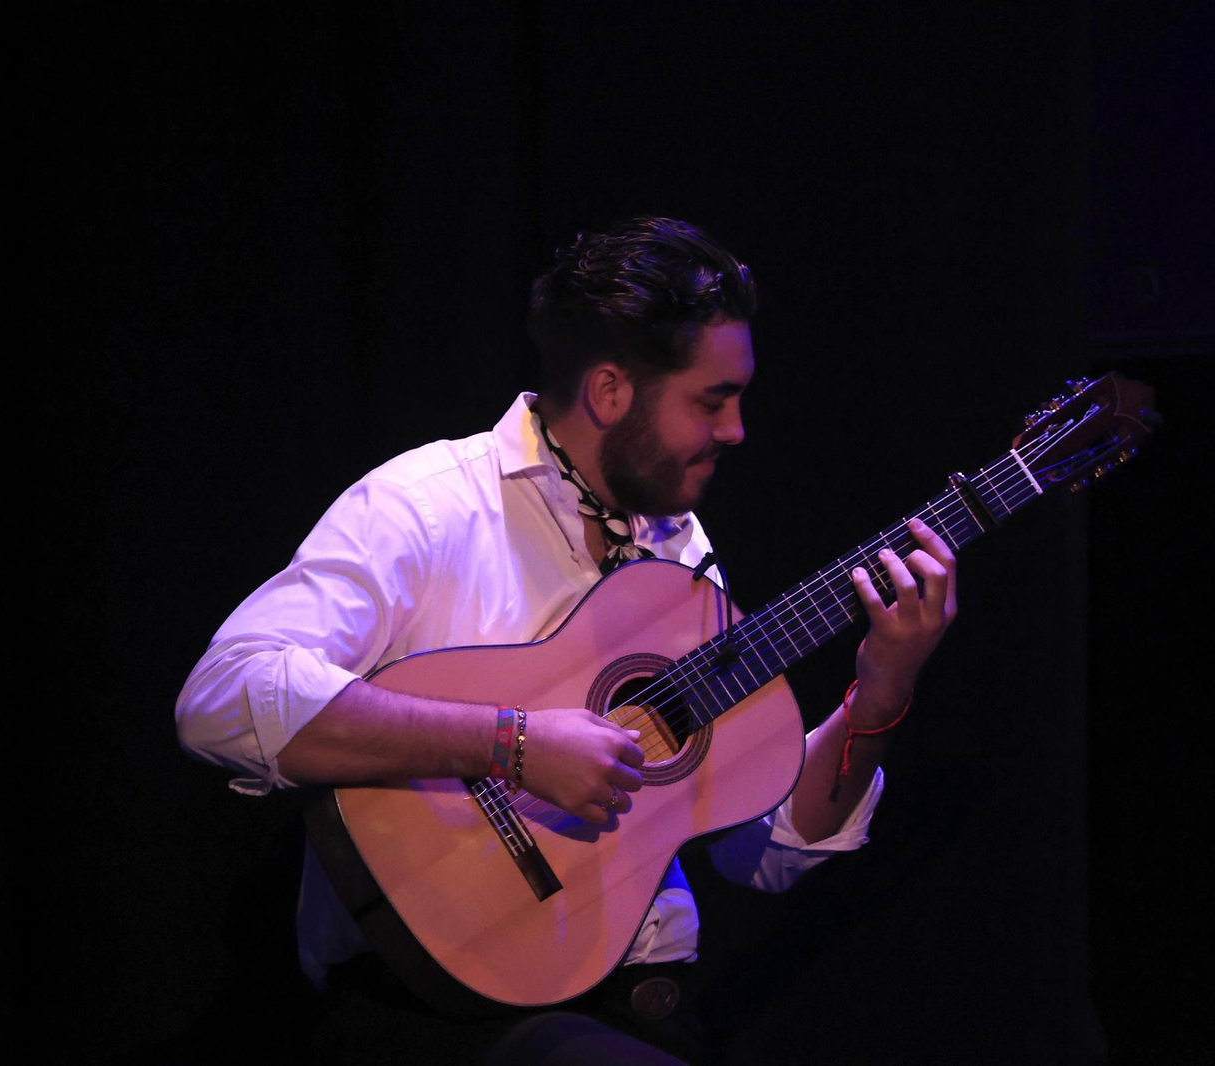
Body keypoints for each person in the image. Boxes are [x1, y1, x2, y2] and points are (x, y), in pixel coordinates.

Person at [175, 216, 957, 1063]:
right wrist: (511, 743)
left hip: (642, 1012)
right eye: (712, 400)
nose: (737, 430)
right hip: (437, 1016)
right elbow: (224, 699)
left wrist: (880, 692)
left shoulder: (680, 553)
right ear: (611, 392)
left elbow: (761, 851)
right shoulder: (430, 507)